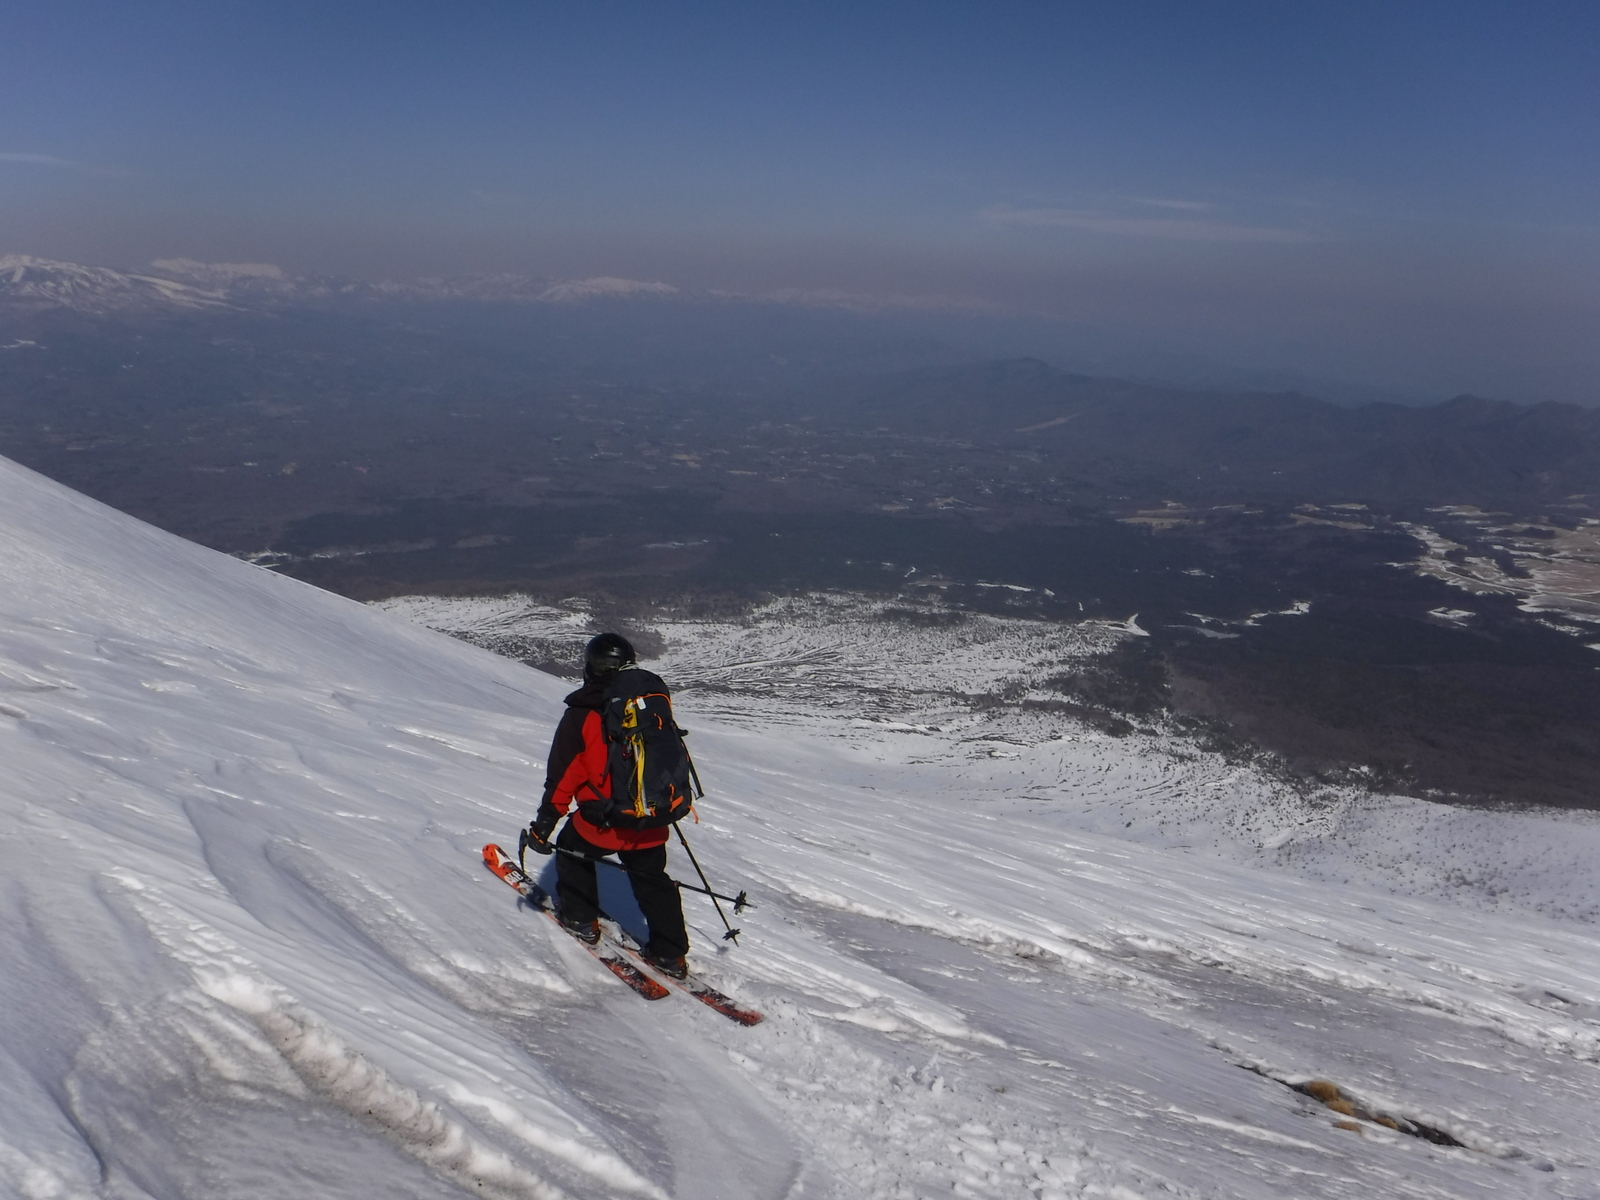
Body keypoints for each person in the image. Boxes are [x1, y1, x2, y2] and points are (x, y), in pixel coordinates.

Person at [524, 633, 691, 978]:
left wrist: (543, 827)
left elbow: (563, 778)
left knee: (570, 850)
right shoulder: (649, 705)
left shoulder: (582, 714)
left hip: (603, 821)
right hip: (651, 820)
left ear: (590, 668)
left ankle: (580, 919)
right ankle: (670, 954)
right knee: (652, 878)